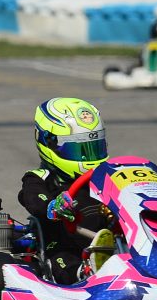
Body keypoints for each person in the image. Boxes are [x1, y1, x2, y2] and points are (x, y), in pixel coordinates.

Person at [19, 97, 116, 284]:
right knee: (62, 261)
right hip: (64, 244)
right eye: (78, 150)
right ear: (49, 143)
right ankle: (85, 273)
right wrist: (52, 206)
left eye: (94, 148)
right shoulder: (40, 178)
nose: (88, 158)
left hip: (111, 237)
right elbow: (33, 199)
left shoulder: (107, 175)